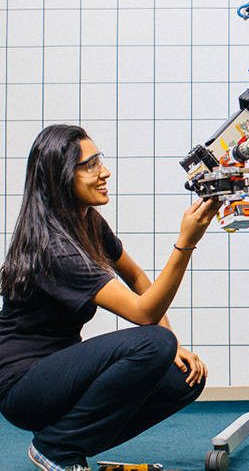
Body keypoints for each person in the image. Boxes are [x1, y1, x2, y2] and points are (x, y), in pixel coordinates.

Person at [0, 124, 221, 471]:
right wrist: (186, 243)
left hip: (60, 376)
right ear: (60, 178)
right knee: (154, 343)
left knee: (184, 378)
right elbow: (143, 313)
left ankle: (67, 439)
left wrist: (172, 346)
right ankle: (56, 447)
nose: (104, 172)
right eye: (89, 165)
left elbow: (135, 276)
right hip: (24, 387)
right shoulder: (54, 249)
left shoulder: (87, 223)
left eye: (99, 160)